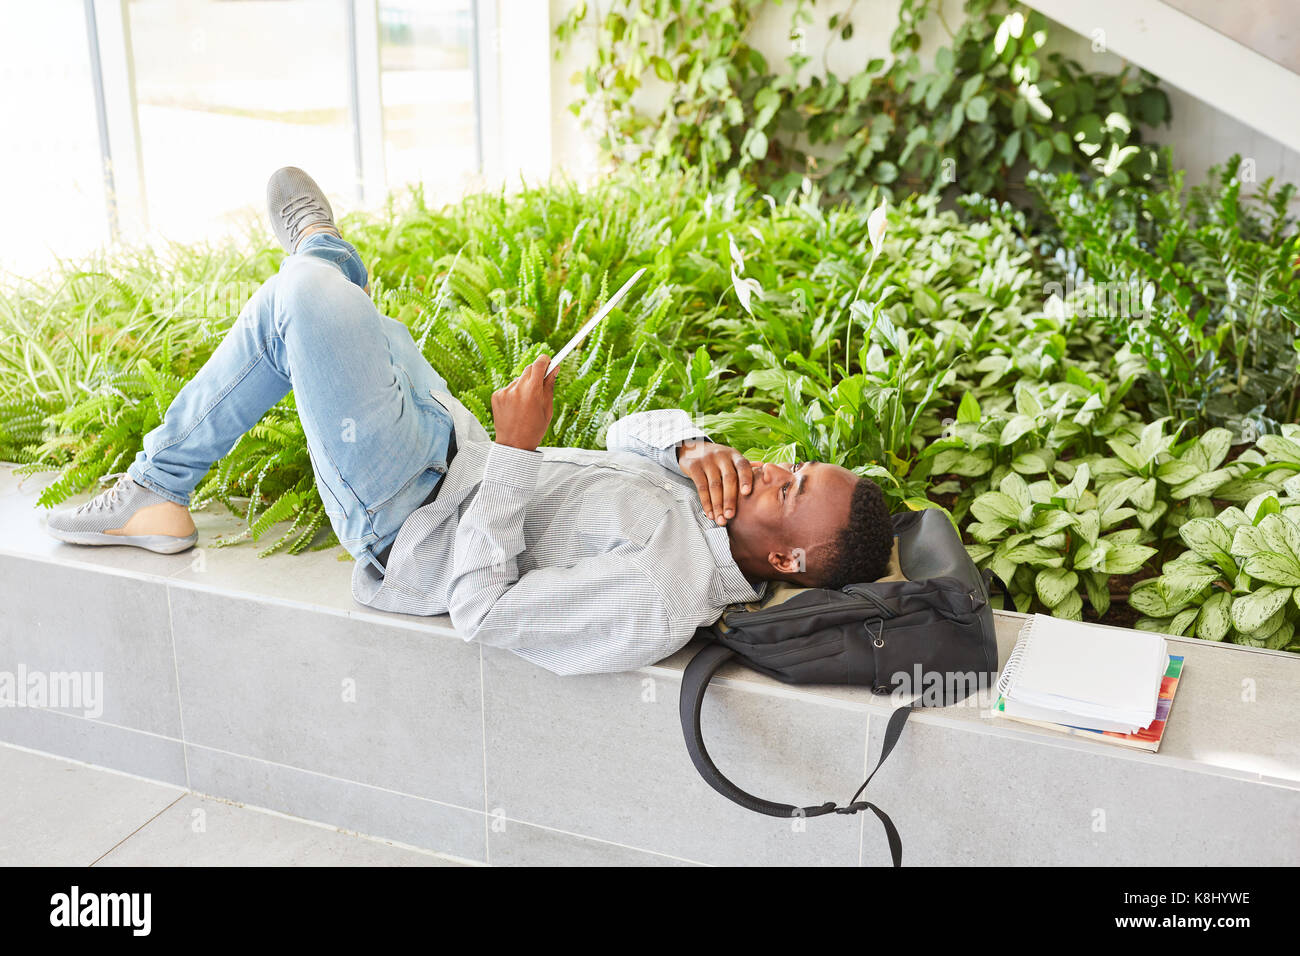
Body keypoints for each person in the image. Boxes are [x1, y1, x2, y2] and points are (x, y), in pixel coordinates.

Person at [45, 168, 894, 675]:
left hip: (406, 517)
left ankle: (316, 260)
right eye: (793, 463)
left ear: (784, 557)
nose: (772, 469)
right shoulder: (709, 496)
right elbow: (621, 431)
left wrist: (519, 452)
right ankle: (162, 487)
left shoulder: (663, 597)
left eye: (792, 487)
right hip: (452, 448)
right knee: (327, 323)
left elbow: (483, 611)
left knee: (304, 303)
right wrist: (690, 442)